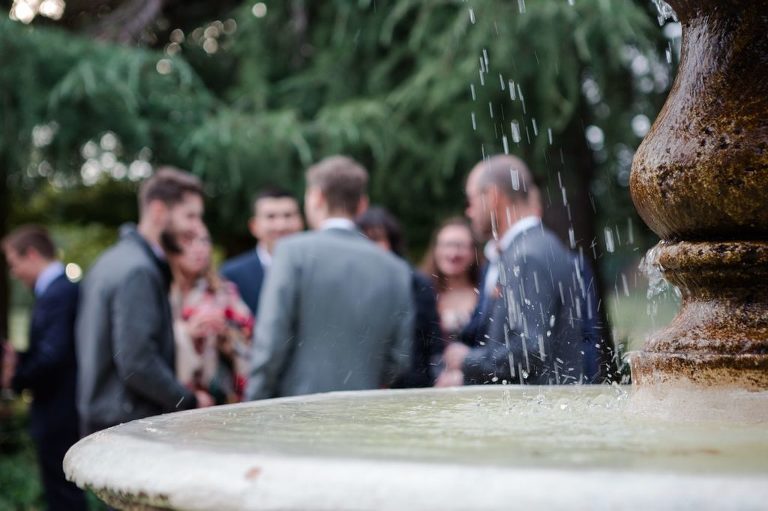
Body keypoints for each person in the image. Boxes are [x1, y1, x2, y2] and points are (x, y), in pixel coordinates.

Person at [246, 156, 414, 400]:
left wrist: (254, 401)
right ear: (362, 205)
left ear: (317, 197)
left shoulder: (292, 252)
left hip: (296, 408)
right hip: (364, 408)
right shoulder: (395, 268)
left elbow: (271, 342)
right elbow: (399, 358)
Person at [76, 167, 213, 436]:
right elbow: (137, 362)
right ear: (159, 211)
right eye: (190, 216)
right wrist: (189, 401)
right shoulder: (138, 270)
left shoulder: (112, 260)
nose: (197, 227)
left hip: (106, 420)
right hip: (126, 427)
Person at [437, 154, 588, 386]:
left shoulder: (526, 256)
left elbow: (530, 349)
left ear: (492, 196)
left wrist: (467, 360)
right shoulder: (542, 244)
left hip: (538, 405)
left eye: (471, 200)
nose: (469, 211)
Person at [1, 226, 87, 511]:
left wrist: (14, 377)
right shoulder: (58, 290)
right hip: (59, 410)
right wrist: (20, 357)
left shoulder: (57, 293)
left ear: (32, 254)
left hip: (58, 412)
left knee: (63, 496)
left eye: (14, 263)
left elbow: (53, 357)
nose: (13, 273)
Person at [357, 206, 443, 387]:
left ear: (391, 241)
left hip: (412, 385)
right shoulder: (351, 284)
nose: (369, 247)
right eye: (363, 239)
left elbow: (432, 341)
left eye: (376, 239)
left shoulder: (416, 283)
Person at [168, 225, 254, 404]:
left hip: (218, 396)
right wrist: (185, 332)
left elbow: (250, 337)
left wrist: (227, 333)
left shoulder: (223, 290)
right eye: (189, 242)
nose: (199, 248)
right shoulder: (160, 290)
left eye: (204, 241)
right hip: (170, 394)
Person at [220, 187, 303, 316]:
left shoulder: (316, 268)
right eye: (271, 217)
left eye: (288, 215)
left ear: (301, 222)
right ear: (254, 226)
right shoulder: (231, 275)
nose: (281, 225)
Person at [421, 218, 480, 342]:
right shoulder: (421, 291)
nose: (453, 253)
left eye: (460, 246)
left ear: (473, 251)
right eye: (447, 245)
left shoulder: (486, 292)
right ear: (435, 250)